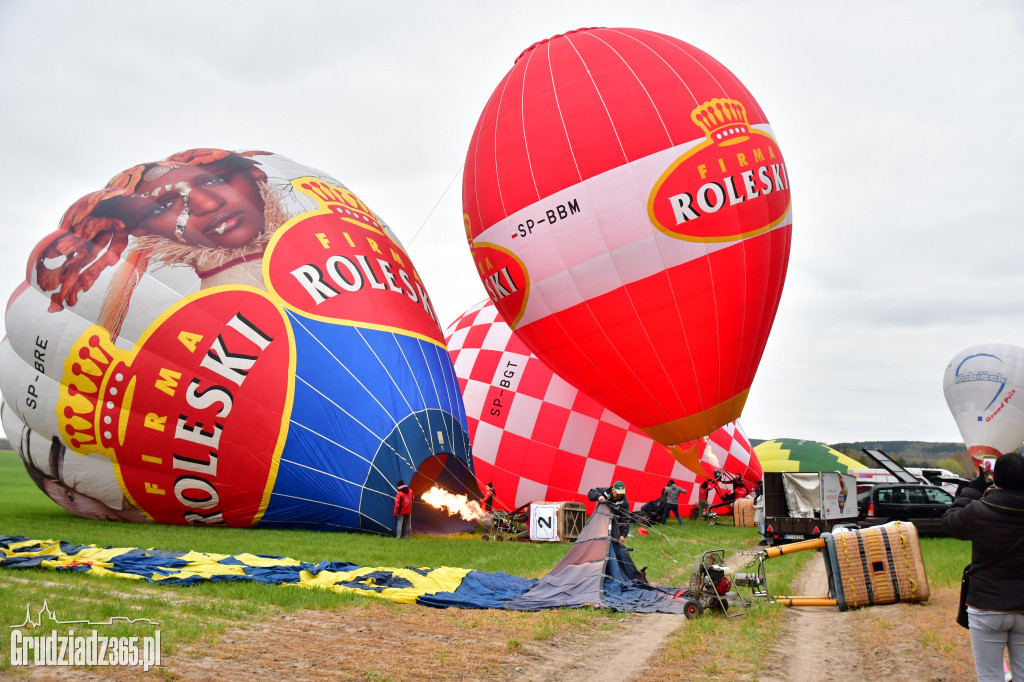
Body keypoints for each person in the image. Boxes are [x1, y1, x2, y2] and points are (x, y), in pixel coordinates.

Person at [34, 149, 285, 338]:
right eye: (165, 205)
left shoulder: (310, 230)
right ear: (141, 229)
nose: (208, 204)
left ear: (256, 175)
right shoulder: (193, 304)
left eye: (214, 180)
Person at [941, 453, 1024, 682]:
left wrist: (973, 488)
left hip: (987, 604)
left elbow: (949, 521)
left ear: (995, 479)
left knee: (990, 675)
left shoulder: (980, 509)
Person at [752, 479, 766, 545]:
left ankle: (764, 540)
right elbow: (756, 499)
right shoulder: (760, 495)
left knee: (762, 526)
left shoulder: (763, 496)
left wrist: (755, 507)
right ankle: (764, 539)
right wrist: (753, 492)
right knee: (761, 526)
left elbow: (763, 505)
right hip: (759, 512)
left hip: (761, 512)